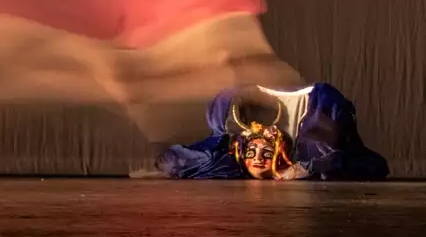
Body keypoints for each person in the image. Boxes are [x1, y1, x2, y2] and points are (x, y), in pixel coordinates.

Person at [156, 83, 389, 180]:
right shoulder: (226, 164)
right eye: (252, 153)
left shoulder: (314, 153)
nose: (257, 158)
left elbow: (372, 166)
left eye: (267, 154)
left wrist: (307, 168)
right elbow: (171, 160)